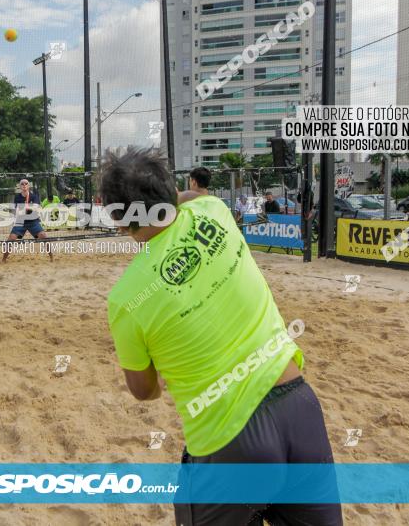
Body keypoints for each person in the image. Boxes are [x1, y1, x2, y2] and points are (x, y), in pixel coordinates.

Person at [100, 147, 340, 526]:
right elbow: (195, 197)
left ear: (117, 217)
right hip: (300, 409)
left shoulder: (126, 299)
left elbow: (144, 391)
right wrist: (165, 198)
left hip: (231, 441)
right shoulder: (212, 211)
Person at [2, 179, 51, 262]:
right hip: (21, 221)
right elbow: (18, 211)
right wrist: (28, 208)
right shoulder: (17, 197)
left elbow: (36, 208)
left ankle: (51, 257)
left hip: (33, 220)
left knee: (44, 236)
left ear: (28, 186)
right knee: (11, 239)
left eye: (26, 183)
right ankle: (3, 259)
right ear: (20, 186)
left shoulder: (34, 196)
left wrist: (26, 208)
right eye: (22, 184)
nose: (24, 185)